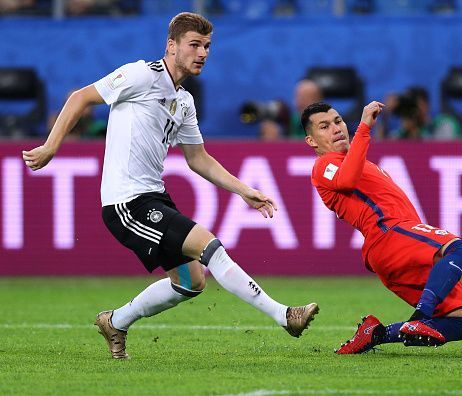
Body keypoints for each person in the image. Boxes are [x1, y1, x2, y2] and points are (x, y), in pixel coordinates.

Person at [22, 12, 318, 360]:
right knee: (210, 246)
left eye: (207, 46)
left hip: (153, 197)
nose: (203, 52)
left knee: (192, 282)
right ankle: (284, 315)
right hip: (125, 203)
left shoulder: (184, 101)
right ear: (171, 45)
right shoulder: (140, 74)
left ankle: (115, 321)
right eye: (194, 45)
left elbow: (198, 158)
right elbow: (79, 97)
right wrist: (52, 146)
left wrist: (243, 190)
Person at [302, 100, 462, 354]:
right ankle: (419, 318)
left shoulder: (361, 162)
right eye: (324, 126)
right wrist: (364, 128)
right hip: (389, 235)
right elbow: (347, 180)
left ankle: (378, 334)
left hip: (398, 245)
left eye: (338, 121)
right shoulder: (324, 165)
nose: (336, 128)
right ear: (312, 141)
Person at [376, 87, 461, 140]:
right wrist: (385, 115)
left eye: (415, 104)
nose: (412, 108)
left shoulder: (443, 123)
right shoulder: (402, 133)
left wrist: (416, 133)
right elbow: (381, 148)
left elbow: (445, 148)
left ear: (426, 105)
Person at [257, 79, 323, 140]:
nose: (300, 102)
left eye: (306, 98)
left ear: (318, 101)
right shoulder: (290, 121)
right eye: (298, 97)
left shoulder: (327, 125)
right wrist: (274, 139)